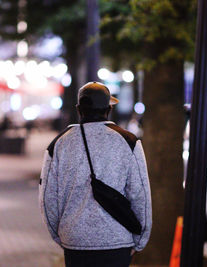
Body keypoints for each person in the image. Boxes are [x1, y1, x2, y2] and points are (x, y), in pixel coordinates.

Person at [39, 82, 152, 267]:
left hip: (75, 241)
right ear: (109, 108)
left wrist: (60, 235)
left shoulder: (59, 144)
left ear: (79, 109)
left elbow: (47, 198)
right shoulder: (128, 142)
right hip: (118, 240)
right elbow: (141, 195)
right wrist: (140, 240)